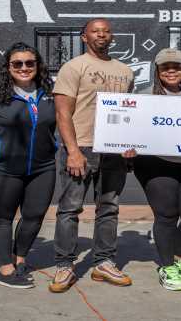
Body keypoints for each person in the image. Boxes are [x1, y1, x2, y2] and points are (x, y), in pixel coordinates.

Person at [50, 18, 135, 293]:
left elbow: (129, 113)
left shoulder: (125, 71)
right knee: (70, 209)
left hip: (113, 150)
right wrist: (72, 151)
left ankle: (103, 262)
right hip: (82, 147)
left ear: (112, 36)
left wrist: (129, 144)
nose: (102, 35)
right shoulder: (74, 67)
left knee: (109, 208)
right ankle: (64, 265)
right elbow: (63, 113)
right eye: (95, 31)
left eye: (106, 31)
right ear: (85, 37)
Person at [0, 43, 57, 289]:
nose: (24, 68)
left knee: (34, 217)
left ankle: (20, 258)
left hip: (43, 167)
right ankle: (5, 269)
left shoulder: (50, 91)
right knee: (2, 218)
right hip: (3, 168)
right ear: (8, 67)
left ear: (38, 65)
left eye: (30, 63)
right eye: (17, 64)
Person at [131, 48, 181, 292]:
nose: (171, 71)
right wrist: (127, 145)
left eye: (176, 66)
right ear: (158, 71)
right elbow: (129, 129)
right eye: (166, 67)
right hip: (154, 163)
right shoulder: (143, 96)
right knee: (166, 215)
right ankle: (167, 266)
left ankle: (178, 256)